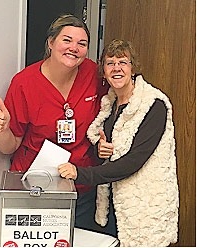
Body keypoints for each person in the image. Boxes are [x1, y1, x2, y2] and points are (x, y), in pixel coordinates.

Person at [0, 14, 108, 232]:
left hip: (81, 186)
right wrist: (1, 130)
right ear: (51, 43)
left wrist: (107, 142)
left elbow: (112, 109)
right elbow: (9, 146)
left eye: (82, 44)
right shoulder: (24, 83)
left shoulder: (94, 74)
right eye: (67, 40)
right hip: (36, 188)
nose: (74, 48)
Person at [58, 39, 179, 246]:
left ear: (133, 68)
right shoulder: (110, 104)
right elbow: (107, 149)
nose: (116, 68)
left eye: (122, 62)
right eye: (110, 63)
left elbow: (133, 161)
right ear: (103, 71)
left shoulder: (153, 104)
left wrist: (81, 173)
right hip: (113, 203)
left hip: (144, 206)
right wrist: (100, 150)